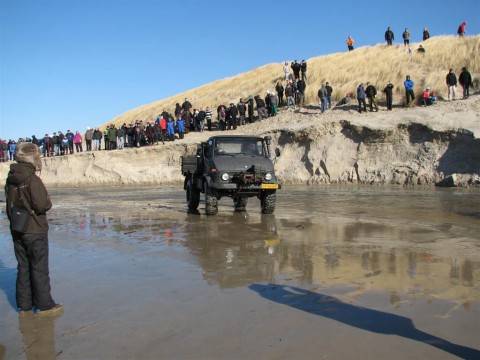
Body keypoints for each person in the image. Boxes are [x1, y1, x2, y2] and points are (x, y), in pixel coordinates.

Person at [5, 142, 63, 316]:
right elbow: (41, 205)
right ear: (33, 158)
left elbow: (10, 204)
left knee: (23, 267)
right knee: (39, 267)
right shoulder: (32, 179)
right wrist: (48, 200)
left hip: (17, 228)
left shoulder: (11, 177)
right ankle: (44, 305)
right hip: (34, 229)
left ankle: (24, 306)